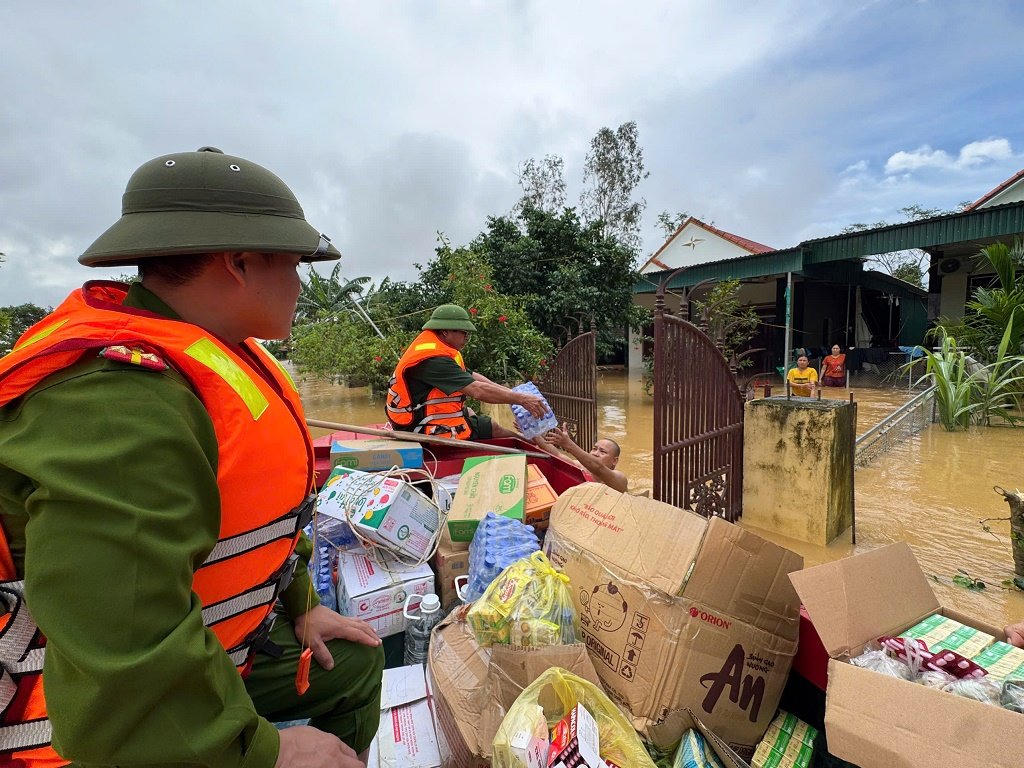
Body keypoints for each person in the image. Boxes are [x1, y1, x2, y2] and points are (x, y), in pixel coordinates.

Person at [0, 148, 383, 768]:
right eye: (293, 263)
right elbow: (123, 643)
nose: (301, 283)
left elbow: (264, 516)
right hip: (87, 719)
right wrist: (267, 751)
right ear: (239, 263)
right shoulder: (119, 399)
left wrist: (305, 604)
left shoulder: (222, 353)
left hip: (218, 647)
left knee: (356, 662)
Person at [385, 304, 546, 440]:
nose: (466, 337)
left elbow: (472, 376)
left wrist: (510, 393)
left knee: (469, 411)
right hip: (419, 428)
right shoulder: (434, 361)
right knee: (492, 426)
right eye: (463, 333)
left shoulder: (436, 348)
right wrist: (521, 399)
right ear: (445, 331)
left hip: (420, 417)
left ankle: (528, 443)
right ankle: (527, 446)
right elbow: (477, 390)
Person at [533, 423, 628, 493]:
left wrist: (568, 444)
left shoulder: (620, 478)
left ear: (614, 461)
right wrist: (532, 433)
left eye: (602, 452)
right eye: (594, 449)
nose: (595, 453)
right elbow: (557, 455)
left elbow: (599, 468)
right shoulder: (582, 468)